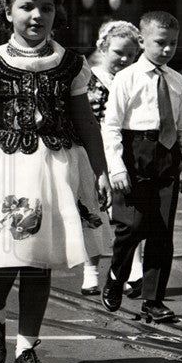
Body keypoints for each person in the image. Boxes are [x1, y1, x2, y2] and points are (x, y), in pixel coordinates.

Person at [0, 0, 113, 363]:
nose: (37, 15)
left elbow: (86, 123)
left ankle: (27, 350)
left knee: (38, 263)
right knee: (1, 258)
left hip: (55, 166)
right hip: (3, 168)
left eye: (46, 7)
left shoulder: (71, 64)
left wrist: (100, 172)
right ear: (7, 13)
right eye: (26, 6)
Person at [100, 11, 182, 323]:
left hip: (167, 155)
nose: (167, 50)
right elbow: (111, 126)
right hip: (134, 153)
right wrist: (116, 168)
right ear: (142, 41)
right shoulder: (126, 79)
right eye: (160, 43)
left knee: (161, 232)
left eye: (173, 44)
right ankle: (117, 276)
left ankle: (153, 300)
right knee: (130, 227)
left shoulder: (178, 81)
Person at [80, 20, 142, 297]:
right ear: (103, 48)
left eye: (131, 54)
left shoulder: (135, 78)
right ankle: (90, 272)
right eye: (118, 52)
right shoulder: (87, 78)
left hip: (125, 152)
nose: (125, 59)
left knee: (129, 215)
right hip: (93, 152)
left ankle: (129, 272)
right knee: (93, 210)